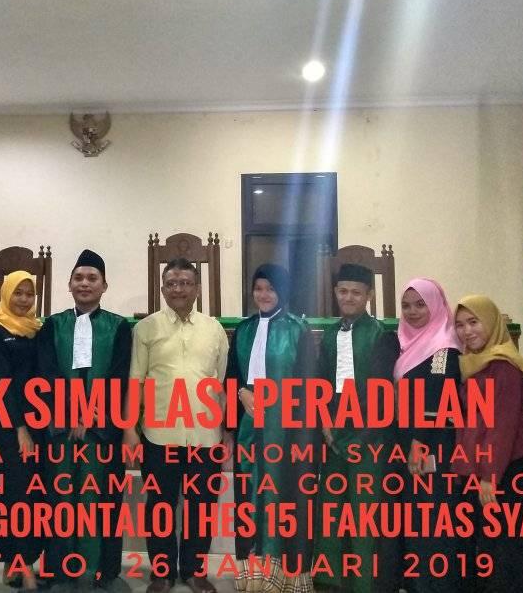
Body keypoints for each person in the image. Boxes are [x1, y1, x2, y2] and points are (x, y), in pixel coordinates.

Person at [124, 258, 229, 593]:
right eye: (171, 283)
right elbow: (136, 380)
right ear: (162, 289)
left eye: (185, 283)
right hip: (158, 435)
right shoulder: (146, 329)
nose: (178, 289)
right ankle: (162, 573)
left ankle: (195, 571)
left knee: (202, 507)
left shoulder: (214, 329)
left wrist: (225, 432)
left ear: (197, 288)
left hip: (205, 436)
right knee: (161, 506)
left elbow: (221, 382)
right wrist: (130, 428)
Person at [36, 250, 132, 591]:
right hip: (61, 426)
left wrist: (89, 414)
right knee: (60, 497)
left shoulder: (119, 327)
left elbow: (120, 376)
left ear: (104, 285)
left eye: (92, 278)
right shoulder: (53, 325)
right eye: (78, 278)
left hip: (102, 429)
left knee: (98, 499)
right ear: (69, 285)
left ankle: (101, 569)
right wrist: (73, 412)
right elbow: (47, 373)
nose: (85, 283)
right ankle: (59, 569)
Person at [451, 294, 523, 593]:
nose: (467, 331)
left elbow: (501, 427)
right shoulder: (472, 363)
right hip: (483, 468)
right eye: (460, 325)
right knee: (493, 550)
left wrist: (489, 477)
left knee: (509, 552)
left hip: (506, 468)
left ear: (491, 322)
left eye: (474, 322)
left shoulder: (503, 365)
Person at [227, 264, 317, 593]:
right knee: (249, 496)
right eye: (258, 288)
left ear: (283, 292)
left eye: (271, 289)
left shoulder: (297, 329)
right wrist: (240, 396)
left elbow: (308, 384)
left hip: (286, 429)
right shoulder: (244, 329)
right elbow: (232, 377)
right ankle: (253, 577)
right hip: (249, 427)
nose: (263, 295)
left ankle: (286, 578)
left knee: (283, 497)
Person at [314, 263, 399, 593]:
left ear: (369, 295)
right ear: (335, 293)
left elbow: (383, 393)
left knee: (364, 512)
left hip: (369, 437)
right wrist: (325, 422)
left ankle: (363, 583)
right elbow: (321, 384)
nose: (348, 298)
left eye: (356, 292)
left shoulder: (381, 335)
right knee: (331, 508)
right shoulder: (330, 334)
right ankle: (329, 579)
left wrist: (362, 433)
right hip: (333, 434)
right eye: (343, 291)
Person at [392, 278, 463, 593]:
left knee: (434, 517)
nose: (413, 312)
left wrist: (418, 445)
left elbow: (437, 400)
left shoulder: (444, 349)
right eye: (406, 306)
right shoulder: (405, 343)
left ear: (435, 305)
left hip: (433, 445)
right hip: (408, 442)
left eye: (421, 304)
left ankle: (437, 585)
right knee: (415, 516)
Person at [0, 272, 45, 590]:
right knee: (17, 496)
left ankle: (12, 561)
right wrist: (20, 428)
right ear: (6, 294)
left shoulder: (35, 329)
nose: (23, 299)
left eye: (28, 294)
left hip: (38, 425)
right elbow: (0, 385)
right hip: (11, 428)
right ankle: (26, 567)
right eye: (17, 293)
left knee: (30, 495)